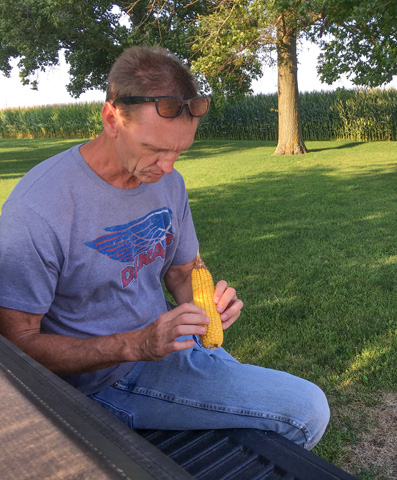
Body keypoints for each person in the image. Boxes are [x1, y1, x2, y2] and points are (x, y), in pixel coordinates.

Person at [0, 46, 329, 450]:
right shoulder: (37, 209)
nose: (169, 167)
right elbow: (18, 347)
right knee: (307, 409)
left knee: (266, 423)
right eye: (156, 150)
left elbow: (183, 268)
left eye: (179, 151)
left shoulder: (167, 182)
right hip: (103, 381)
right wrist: (135, 344)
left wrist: (211, 302)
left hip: (167, 346)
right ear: (112, 118)